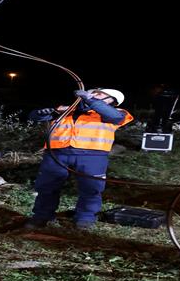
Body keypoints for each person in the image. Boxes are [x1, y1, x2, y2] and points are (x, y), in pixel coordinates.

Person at [25, 88, 134, 230]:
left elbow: (115, 117)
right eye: (93, 93)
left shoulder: (117, 113)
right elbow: (33, 117)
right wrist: (40, 114)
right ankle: (42, 216)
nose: (94, 94)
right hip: (57, 154)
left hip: (92, 157)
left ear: (112, 101)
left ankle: (85, 218)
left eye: (99, 94)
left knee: (91, 189)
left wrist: (90, 99)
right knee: (47, 187)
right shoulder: (66, 110)